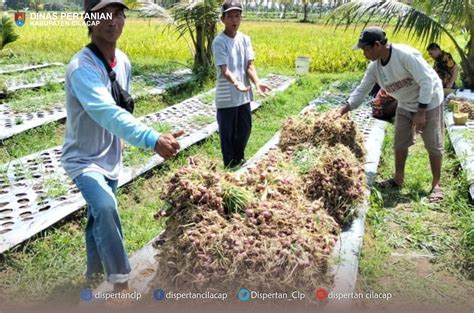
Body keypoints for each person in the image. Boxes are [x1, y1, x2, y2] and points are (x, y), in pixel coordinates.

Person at [61, 0, 182, 292]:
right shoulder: (81, 68)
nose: (112, 20)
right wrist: (151, 138)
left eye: (118, 14)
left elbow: (122, 110)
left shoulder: (124, 61)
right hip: (84, 159)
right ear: (90, 21)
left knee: (97, 215)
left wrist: (144, 135)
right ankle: (120, 284)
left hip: (111, 156)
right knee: (104, 205)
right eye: (104, 15)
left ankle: (93, 271)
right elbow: (106, 112)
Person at [339, 26, 444, 202]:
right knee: (400, 143)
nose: (364, 53)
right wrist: (344, 109)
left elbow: (426, 82)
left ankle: (436, 184)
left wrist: (421, 112)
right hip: (405, 102)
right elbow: (362, 89)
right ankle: (398, 179)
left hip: (430, 99)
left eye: (365, 48)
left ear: (377, 45)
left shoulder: (405, 56)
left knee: (433, 144)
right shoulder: (375, 68)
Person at [212, 0, 271, 168]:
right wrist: (236, 83)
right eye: (229, 16)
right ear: (222, 19)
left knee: (244, 130)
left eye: (237, 16)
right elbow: (224, 69)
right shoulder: (219, 41)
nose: (234, 20)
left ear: (241, 18)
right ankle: (229, 165)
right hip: (227, 96)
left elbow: (249, 66)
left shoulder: (245, 39)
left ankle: (239, 159)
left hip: (244, 95)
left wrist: (258, 83)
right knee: (228, 134)